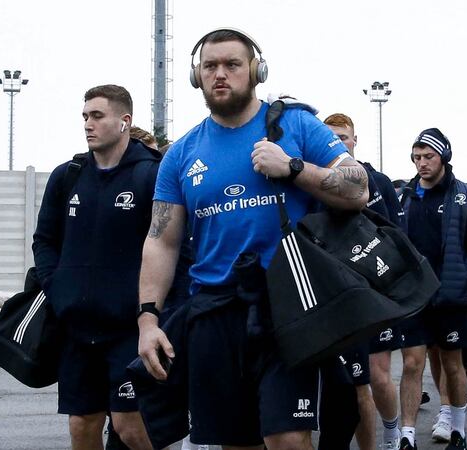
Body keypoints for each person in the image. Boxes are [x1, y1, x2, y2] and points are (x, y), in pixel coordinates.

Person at [137, 28, 368, 449]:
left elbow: (358, 188)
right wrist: (148, 319)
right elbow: (161, 241)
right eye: (210, 66)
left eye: (232, 65)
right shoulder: (182, 153)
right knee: (235, 442)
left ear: (256, 71)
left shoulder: (295, 124)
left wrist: (294, 168)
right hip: (214, 312)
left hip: (288, 305)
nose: (220, 74)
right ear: (197, 76)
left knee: (289, 439)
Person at [32, 85, 159, 450]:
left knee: (130, 427)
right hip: (76, 327)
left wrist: (155, 312)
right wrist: (56, 288)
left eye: (97, 116)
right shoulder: (67, 176)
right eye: (85, 116)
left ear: (125, 121)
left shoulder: (149, 175)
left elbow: (172, 247)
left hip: (128, 328)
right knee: (82, 425)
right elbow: (44, 240)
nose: (88, 124)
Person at [397, 128, 467, 450]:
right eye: (417, 157)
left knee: (452, 364)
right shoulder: (405, 195)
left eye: (428, 157)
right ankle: (406, 437)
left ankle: (458, 432)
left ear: (444, 156)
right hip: (415, 297)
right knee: (411, 364)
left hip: (450, 296)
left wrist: (463, 275)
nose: (421, 163)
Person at [324, 113, 405, 450]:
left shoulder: (378, 181)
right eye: (332, 138)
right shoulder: (317, 182)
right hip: (340, 298)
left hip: (377, 294)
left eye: (344, 137)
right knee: (356, 385)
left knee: (378, 374)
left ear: (355, 141)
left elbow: (397, 236)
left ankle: (393, 434)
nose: (339, 143)